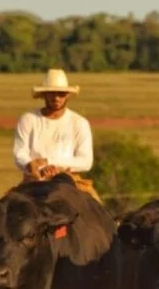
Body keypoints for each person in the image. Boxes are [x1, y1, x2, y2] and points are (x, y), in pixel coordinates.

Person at [12, 68, 102, 202]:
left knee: (100, 216)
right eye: (52, 93)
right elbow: (19, 151)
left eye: (61, 94)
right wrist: (30, 164)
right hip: (34, 180)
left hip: (70, 180)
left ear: (67, 95)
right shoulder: (28, 119)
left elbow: (85, 161)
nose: (56, 98)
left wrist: (55, 165)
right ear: (44, 95)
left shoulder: (79, 123)